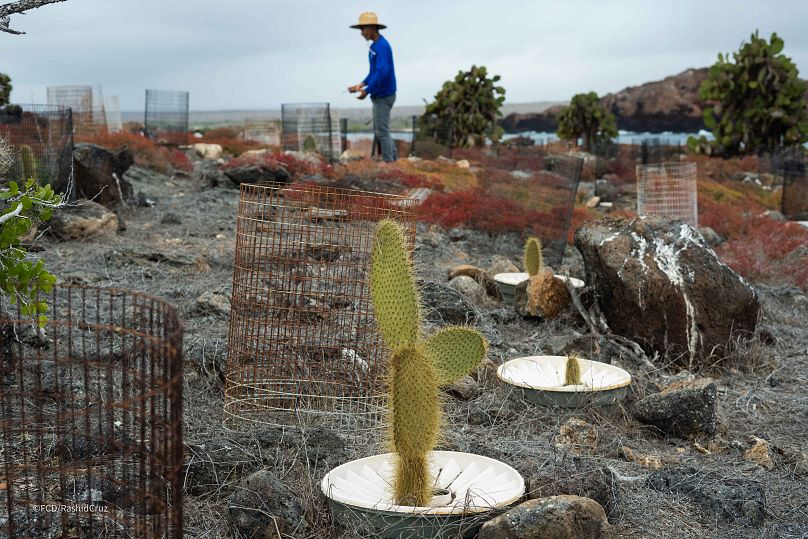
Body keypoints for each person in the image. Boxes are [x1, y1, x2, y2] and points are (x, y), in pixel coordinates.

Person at [347, 12, 398, 162]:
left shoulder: (380, 47)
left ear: (371, 28)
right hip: (382, 95)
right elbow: (373, 72)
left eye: (363, 29)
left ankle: (389, 164)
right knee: (383, 131)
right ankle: (393, 161)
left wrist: (367, 91)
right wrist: (360, 85)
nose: (362, 33)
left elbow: (383, 71)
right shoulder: (376, 46)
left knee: (382, 132)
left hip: (383, 96)